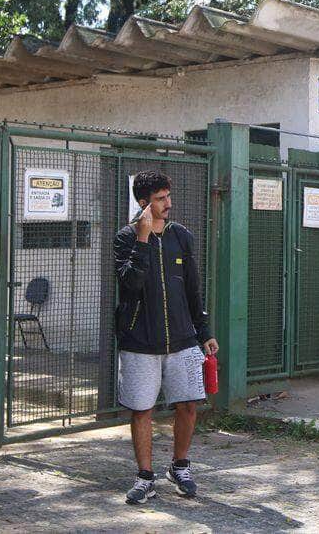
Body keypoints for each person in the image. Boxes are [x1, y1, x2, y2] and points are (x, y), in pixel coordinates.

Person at [114, 171, 218, 505]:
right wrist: (143, 239)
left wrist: (204, 333)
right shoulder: (125, 238)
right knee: (142, 409)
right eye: (160, 198)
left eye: (168, 196)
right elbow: (130, 284)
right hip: (139, 340)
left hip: (184, 339)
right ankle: (145, 476)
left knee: (188, 405)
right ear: (144, 203)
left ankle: (180, 465)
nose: (168, 203)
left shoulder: (181, 237)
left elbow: (192, 289)